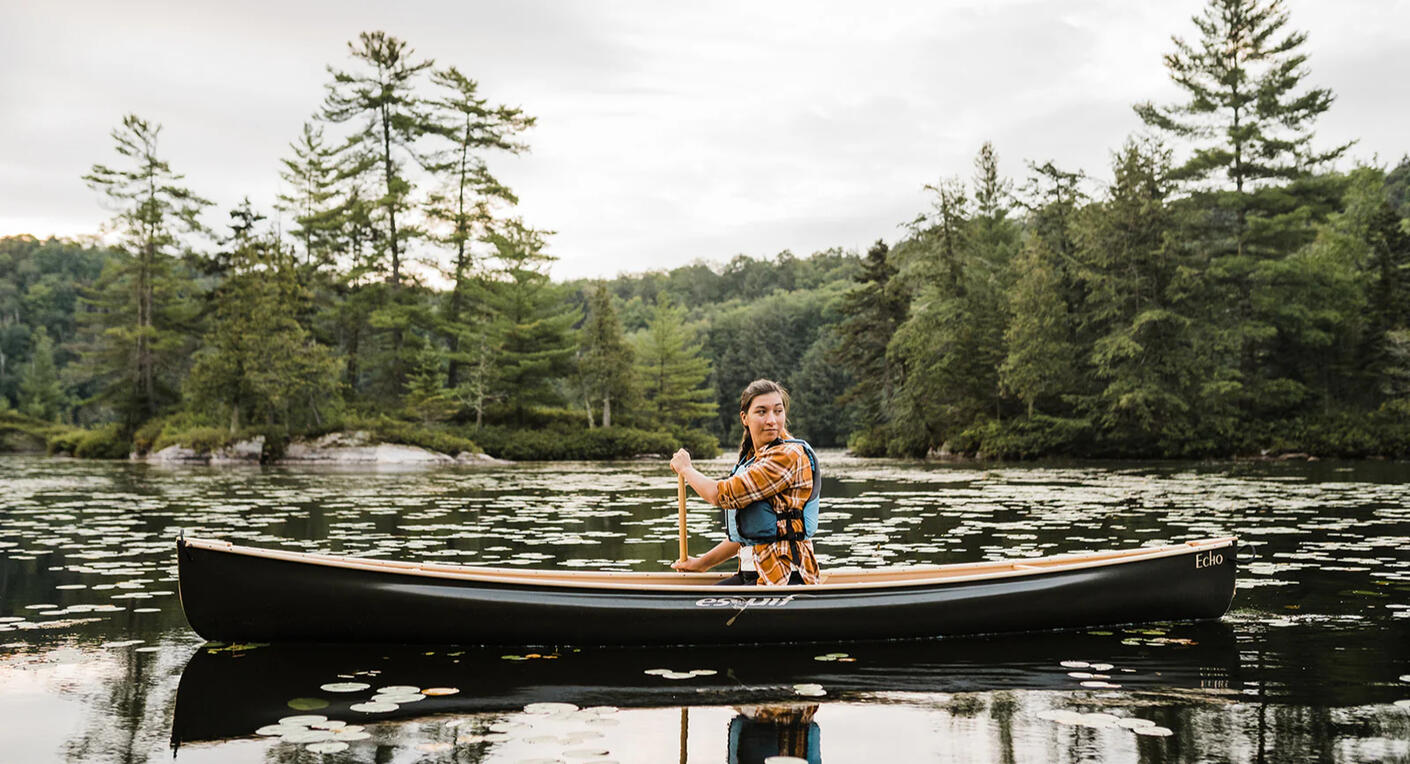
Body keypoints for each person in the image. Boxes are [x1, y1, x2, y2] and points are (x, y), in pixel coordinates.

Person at [669, 378, 821, 586]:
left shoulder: (787, 456)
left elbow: (718, 494)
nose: (772, 420)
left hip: (784, 578)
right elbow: (746, 534)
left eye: (778, 411)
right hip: (752, 574)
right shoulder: (752, 460)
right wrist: (702, 564)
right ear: (744, 418)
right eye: (761, 412)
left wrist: (686, 469)